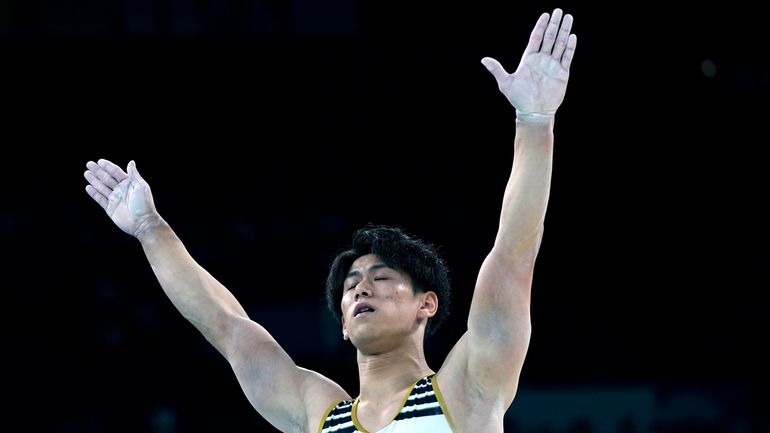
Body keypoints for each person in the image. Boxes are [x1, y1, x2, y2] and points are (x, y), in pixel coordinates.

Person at [83, 8, 576, 433]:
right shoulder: (317, 414)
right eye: (352, 285)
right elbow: (227, 327)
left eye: (383, 278)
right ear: (341, 322)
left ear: (427, 303)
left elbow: (513, 256)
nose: (361, 290)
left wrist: (534, 123)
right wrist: (151, 229)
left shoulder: (470, 389)